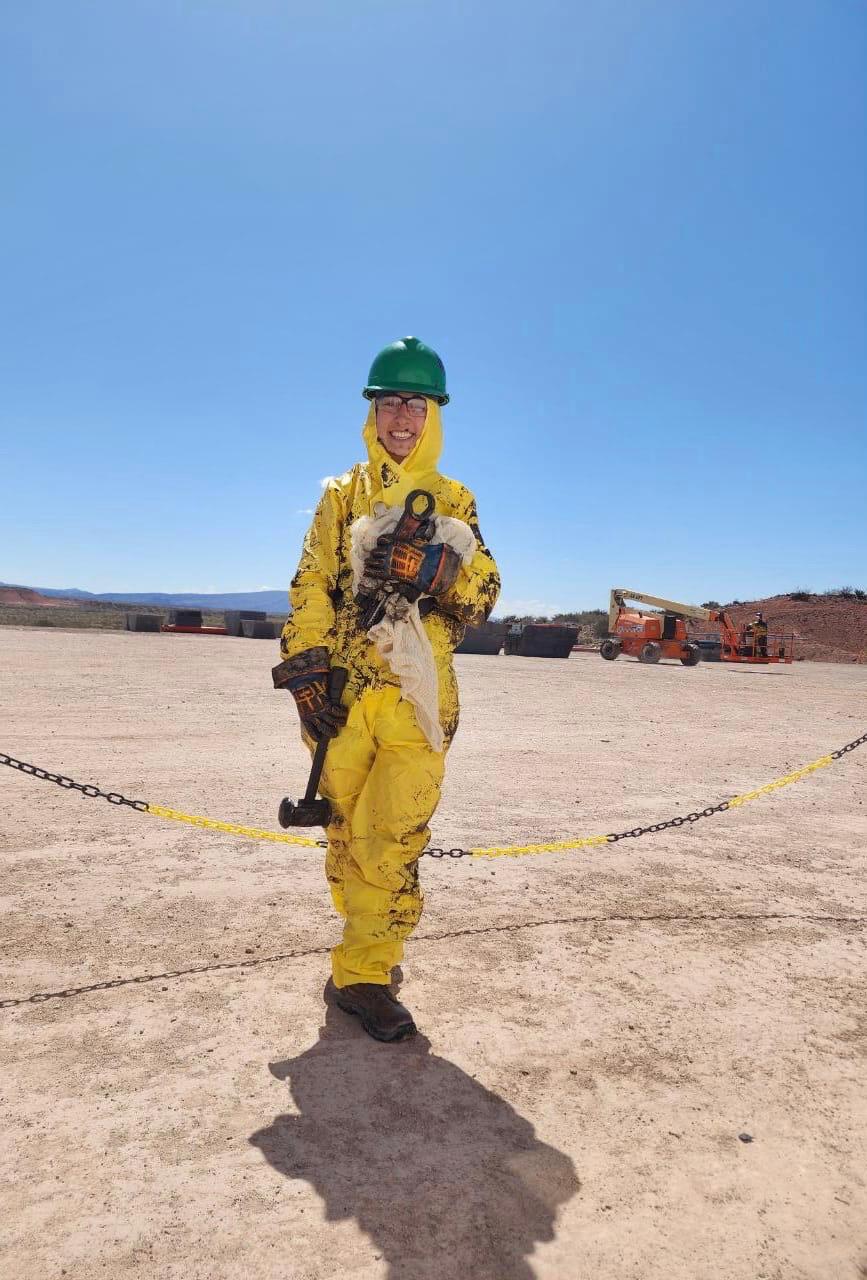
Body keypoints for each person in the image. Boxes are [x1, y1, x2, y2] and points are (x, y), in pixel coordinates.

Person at [272, 337, 500, 1042]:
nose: (403, 417)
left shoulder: (455, 500)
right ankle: (365, 935)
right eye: (391, 402)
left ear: (435, 416)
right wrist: (307, 671)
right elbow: (313, 582)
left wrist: (437, 571)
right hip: (342, 696)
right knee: (346, 836)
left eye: (416, 404)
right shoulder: (341, 497)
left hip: (419, 703)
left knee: (393, 838)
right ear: (371, 412)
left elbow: (483, 593)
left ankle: (364, 973)